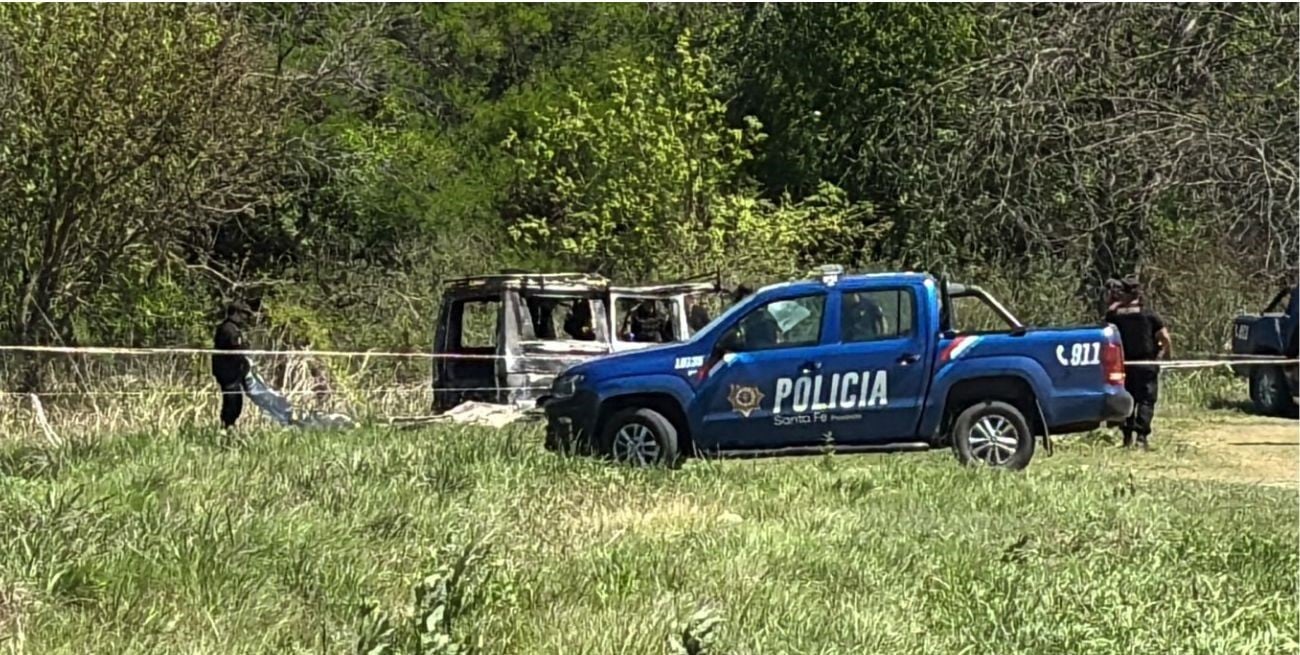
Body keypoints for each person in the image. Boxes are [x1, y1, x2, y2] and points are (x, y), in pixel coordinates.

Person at [1104, 275, 1172, 450]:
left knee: (1127, 399)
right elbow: (1165, 338)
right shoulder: (1149, 316)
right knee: (1146, 400)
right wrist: (1165, 356)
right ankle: (1141, 438)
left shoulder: (1114, 316)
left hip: (1122, 365)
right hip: (1146, 364)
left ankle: (1126, 438)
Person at [212, 301, 253, 430]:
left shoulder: (233, 328)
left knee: (236, 402)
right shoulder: (228, 329)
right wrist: (244, 346)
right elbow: (236, 347)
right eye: (244, 314)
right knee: (231, 403)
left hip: (234, 373)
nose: (246, 318)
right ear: (235, 313)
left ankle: (229, 428)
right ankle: (226, 429)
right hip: (228, 373)